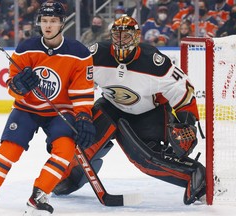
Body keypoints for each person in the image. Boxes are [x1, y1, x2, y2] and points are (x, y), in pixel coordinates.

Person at [53, 15, 207, 206]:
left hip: (148, 114)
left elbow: (183, 88)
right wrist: (64, 115)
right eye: (117, 36)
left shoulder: (153, 61)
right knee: (83, 138)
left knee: (145, 160)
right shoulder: (96, 54)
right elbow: (75, 82)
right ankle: (71, 176)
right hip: (111, 106)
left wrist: (187, 122)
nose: (121, 41)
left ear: (137, 37)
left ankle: (196, 174)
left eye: (126, 36)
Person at [0, 2, 95, 216]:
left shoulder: (79, 54)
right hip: (27, 108)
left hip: (59, 112)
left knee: (65, 151)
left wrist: (84, 116)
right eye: (45, 21)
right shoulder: (26, 48)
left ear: (62, 23)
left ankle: (38, 196)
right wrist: (18, 86)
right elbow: (12, 86)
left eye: (53, 21)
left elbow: (81, 93)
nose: (48, 26)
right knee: (9, 150)